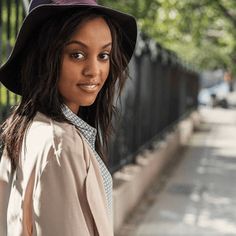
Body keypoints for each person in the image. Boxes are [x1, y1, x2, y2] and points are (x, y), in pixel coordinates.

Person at [0, 0, 137, 235]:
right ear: (46, 58)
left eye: (104, 55)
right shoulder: (61, 143)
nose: (94, 70)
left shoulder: (25, 126)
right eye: (77, 54)